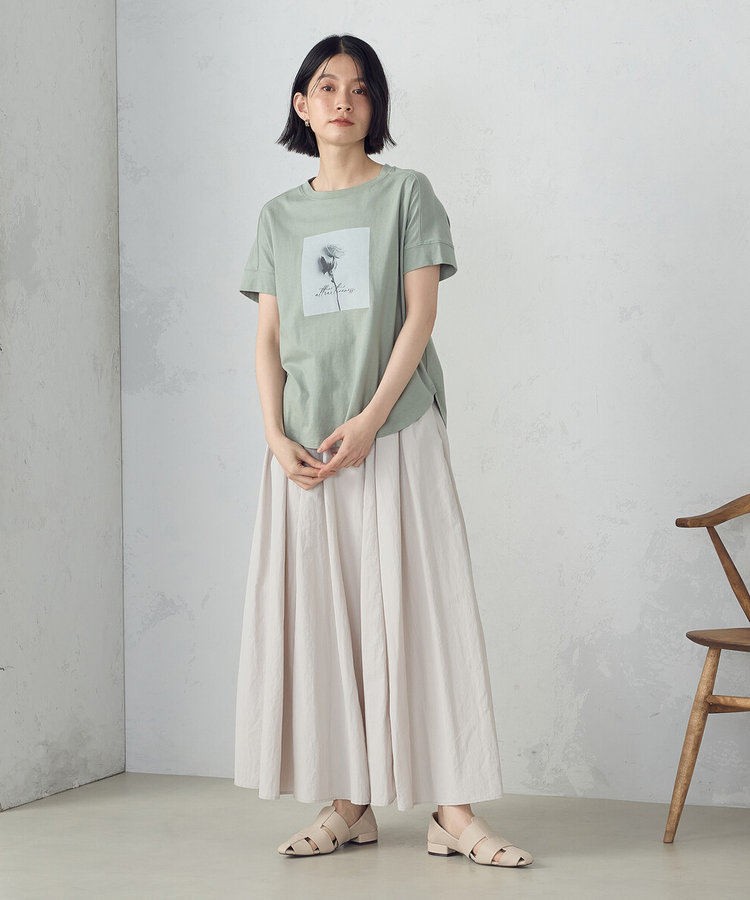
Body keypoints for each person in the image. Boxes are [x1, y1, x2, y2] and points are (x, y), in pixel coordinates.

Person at [233, 33, 533, 869]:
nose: (343, 100)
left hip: (396, 432)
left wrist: (369, 420)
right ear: (301, 106)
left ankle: (452, 811)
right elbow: (268, 338)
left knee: (424, 611)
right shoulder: (277, 217)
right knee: (326, 623)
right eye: (327, 86)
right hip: (307, 450)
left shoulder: (407, 194)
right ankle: (349, 802)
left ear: (376, 107)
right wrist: (275, 437)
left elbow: (420, 318)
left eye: (360, 88)